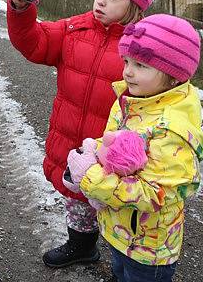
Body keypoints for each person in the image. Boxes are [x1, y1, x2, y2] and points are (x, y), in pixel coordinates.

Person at [7, 0, 159, 267]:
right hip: (74, 143)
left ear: (137, 4)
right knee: (78, 200)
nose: (101, 2)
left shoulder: (145, 45)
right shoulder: (74, 29)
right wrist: (22, 11)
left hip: (119, 151)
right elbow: (34, 42)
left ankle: (126, 264)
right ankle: (82, 246)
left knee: (122, 209)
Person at [66, 14, 203, 282]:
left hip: (148, 249)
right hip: (121, 232)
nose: (127, 71)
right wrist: (94, 156)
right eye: (126, 61)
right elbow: (116, 151)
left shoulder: (171, 128)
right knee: (119, 272)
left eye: (140, 64)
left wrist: (92, 178)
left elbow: (156, 194)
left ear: (174, 76)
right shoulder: (132, 100)